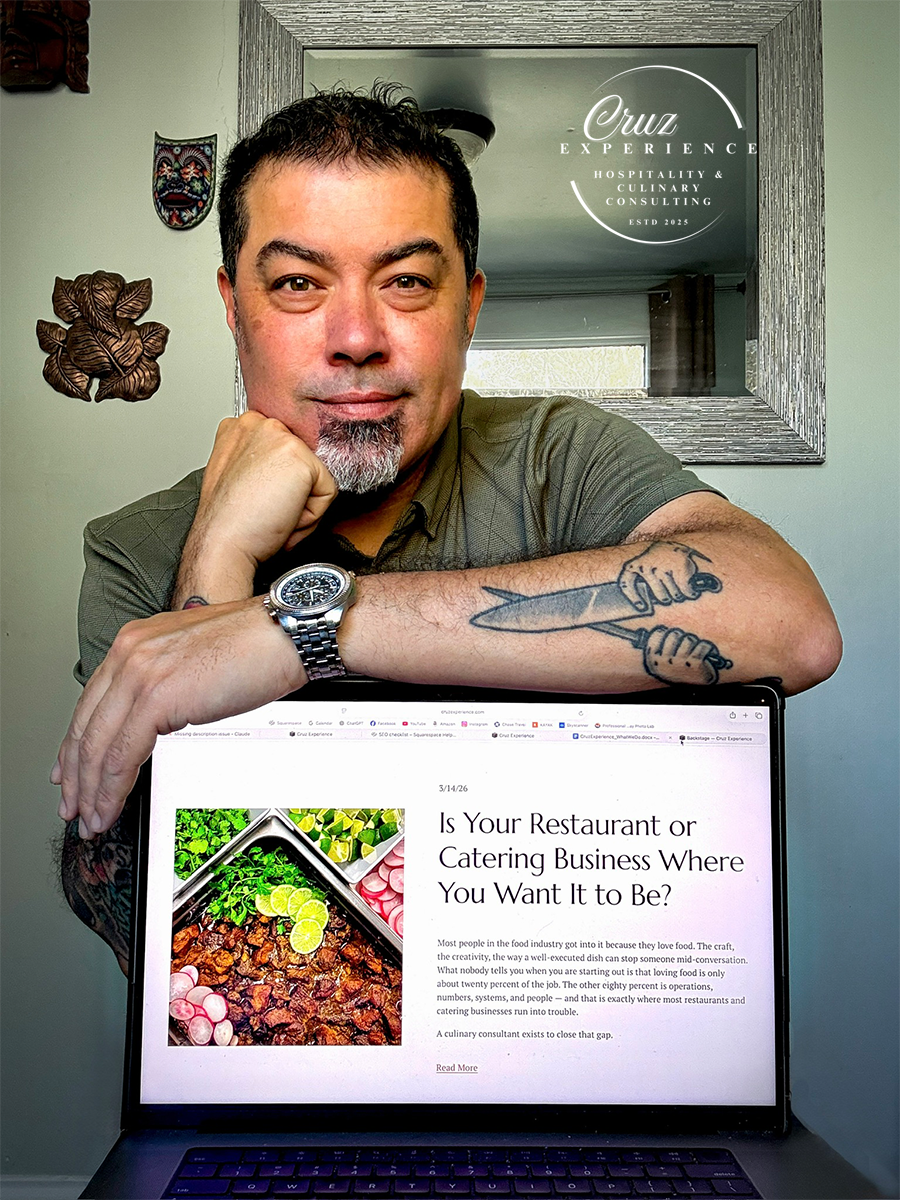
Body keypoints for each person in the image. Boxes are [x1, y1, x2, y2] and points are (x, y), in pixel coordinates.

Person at [54, 86, 842, 972]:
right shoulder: (134, 547)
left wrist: (309, 627)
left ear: (468, 306)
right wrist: (220, 557)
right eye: (298, 284)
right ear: (235, 308)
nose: (356, 337)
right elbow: (149, 948)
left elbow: (794, 625)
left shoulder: (560, 453)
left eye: (406, 282)